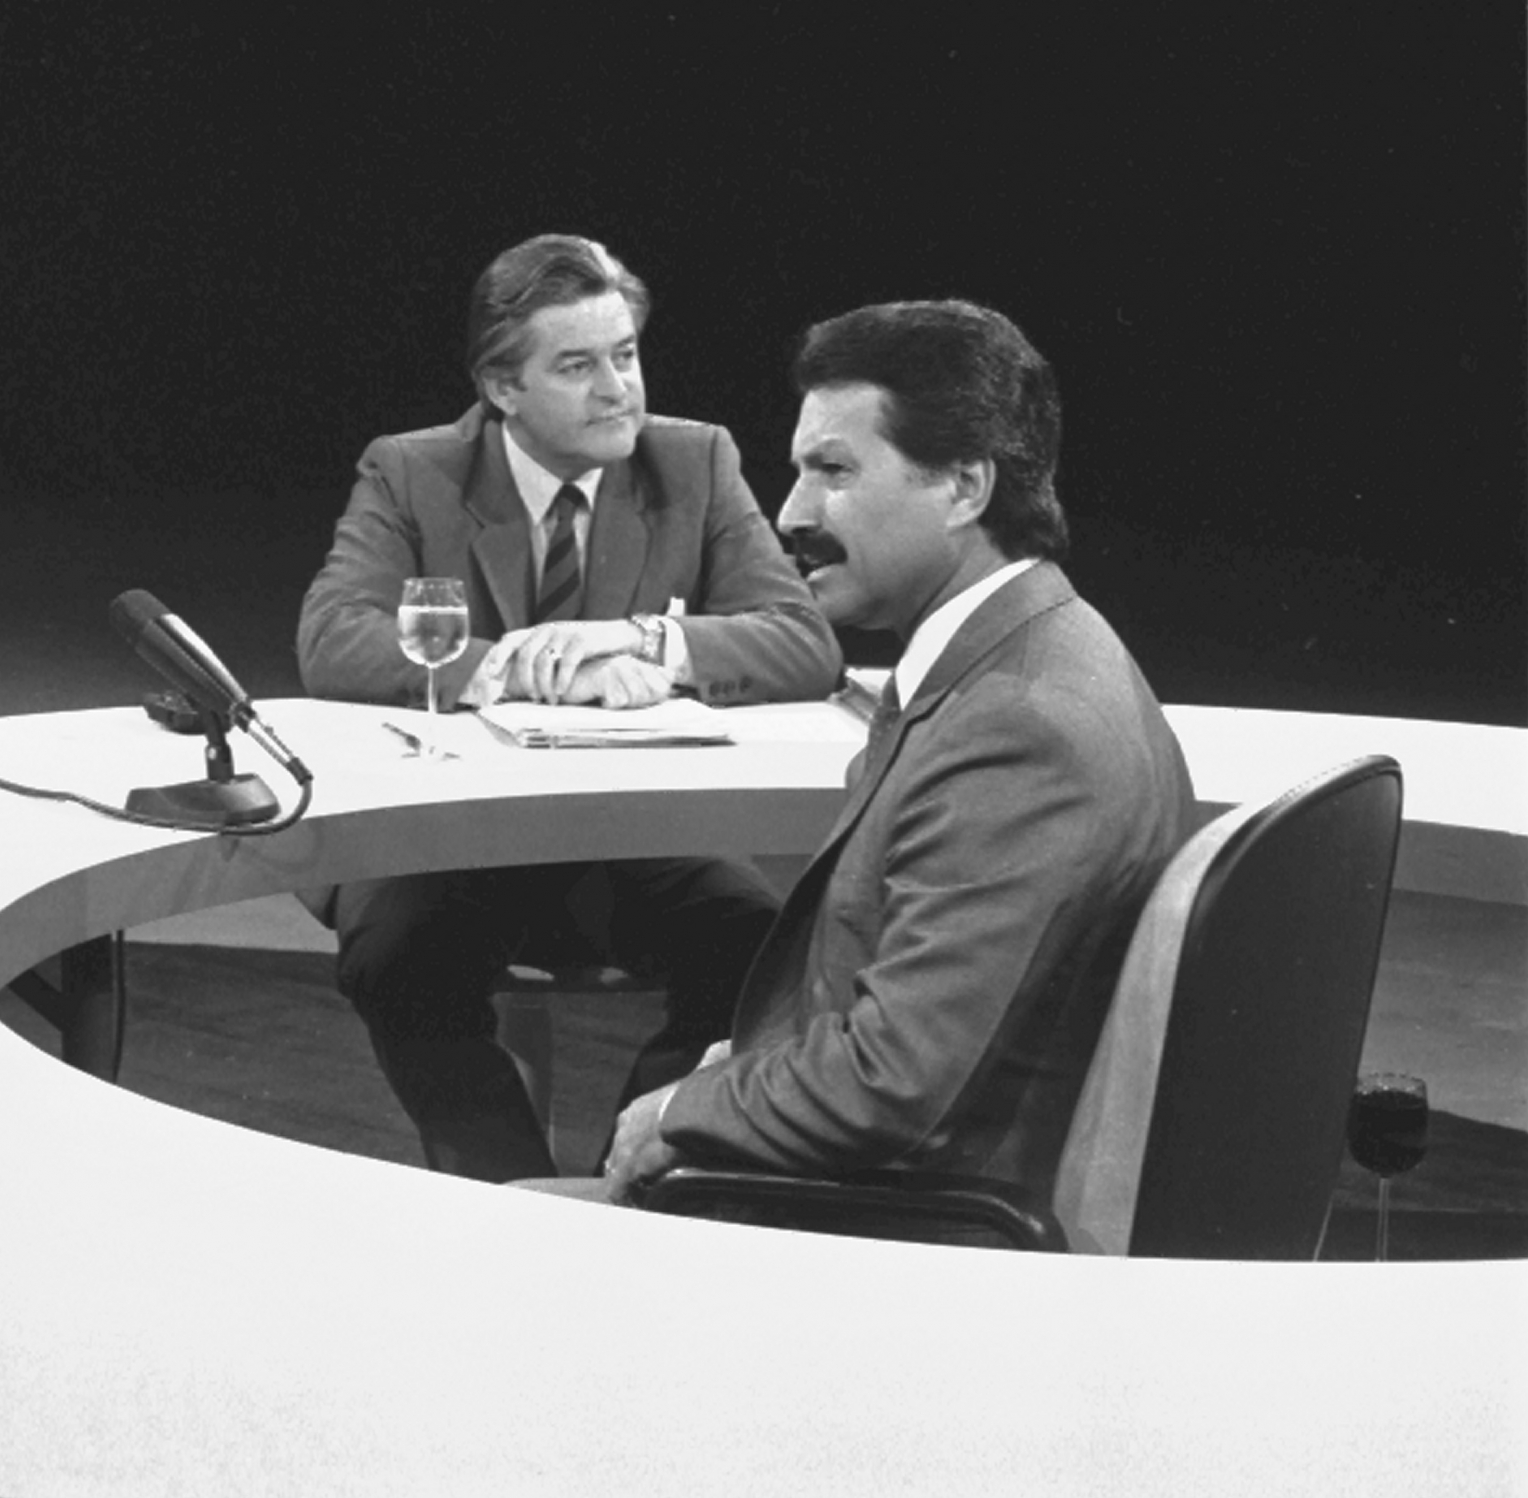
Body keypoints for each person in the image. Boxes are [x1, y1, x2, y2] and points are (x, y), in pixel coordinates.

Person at [586, 299, 1195, 1208]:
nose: (790, 512)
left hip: (895, 1224)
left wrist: (678, 1111)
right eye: (799, 471)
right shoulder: (1014, 657)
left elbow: (891, 1082)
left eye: (832, 470)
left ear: (964, 488)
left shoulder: (1019, 726)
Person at [296, 234, 841, 1182]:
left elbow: (802, 640)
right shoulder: (413, 470)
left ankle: (633, 1172)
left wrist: (641, 642)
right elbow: (334, 636)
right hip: (456, 838)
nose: (617, 389)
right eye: (577, 366)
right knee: (395, 959)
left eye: (625, 355)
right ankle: (510, 1196)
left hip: (632, 838)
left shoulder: (694, 460)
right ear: (501, 387)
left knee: (762, 951)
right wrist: (519, 667)